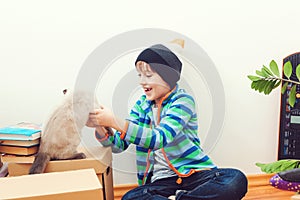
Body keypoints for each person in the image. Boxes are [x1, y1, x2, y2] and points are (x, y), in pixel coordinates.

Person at [86, 44, 248, 200]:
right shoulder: (141, 106)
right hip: (161, 183)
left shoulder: (183, 101)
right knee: (132, 196)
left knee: (235, 179)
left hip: (195, 175)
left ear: (167, 77)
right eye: (140, 75)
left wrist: (113, 120)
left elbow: (159, 138)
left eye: (148, 75)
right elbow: (117, 146)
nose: (142, 81)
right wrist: (100, 126)